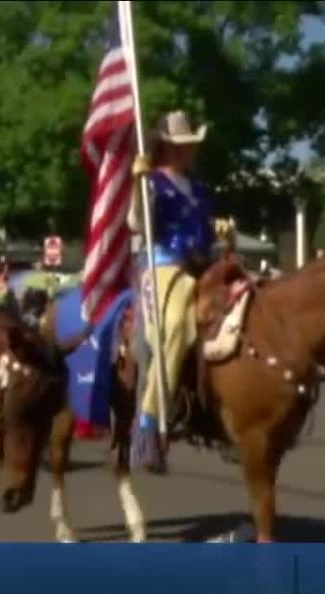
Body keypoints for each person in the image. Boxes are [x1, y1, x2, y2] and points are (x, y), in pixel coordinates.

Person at [128, 110, 215, 473]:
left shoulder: (198, 189)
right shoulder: (152, 183)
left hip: (203, 263)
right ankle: (149, 421)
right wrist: (138, 186)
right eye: (180, 146)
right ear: (165, 147)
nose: (187, 152)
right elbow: (136, 223)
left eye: (190, 146)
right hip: (163, 264)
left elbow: (206, 229)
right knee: (176, 324)